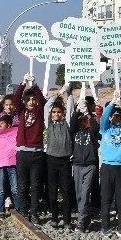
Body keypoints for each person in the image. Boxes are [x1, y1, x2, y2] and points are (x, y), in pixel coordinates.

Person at [99, 92, 121, 239]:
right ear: (110, 118)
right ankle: (105, 227)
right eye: (114, 116)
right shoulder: (105, 129)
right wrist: (112, 104)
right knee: (106, 199)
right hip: (107, 168)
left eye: (119, 116)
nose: (117, 118)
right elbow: (102, 119)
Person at [14, 73, 46, 223]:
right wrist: (23, 83)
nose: (32, 101)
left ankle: (34, 212)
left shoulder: (39, 112)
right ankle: (24, 210)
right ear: (25, 101)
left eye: (33, 99)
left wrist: (34, 85)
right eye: (28, 99)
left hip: (37, 154)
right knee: (23, 184)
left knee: (35, 185)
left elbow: (43, 100)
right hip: (22, 153)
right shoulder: (21, 112)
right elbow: (16, 99)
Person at [44, 85, 73, 229]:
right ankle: (54, 218)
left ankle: (67, 220)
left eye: (59, 112)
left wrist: (68, 93)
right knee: (52, 191)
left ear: (63, 113)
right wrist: (58, 93)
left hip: (65, 161)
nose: (56, 114)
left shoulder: (66, 124)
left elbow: (71, 107)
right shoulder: (48, 124)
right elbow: (47, 105)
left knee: (66, 191)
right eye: (54, 112)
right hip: (51, 161)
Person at [70, 96, 101, 232]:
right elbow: (71, 123)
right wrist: (77, 110)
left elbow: (95, 126)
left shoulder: (92, 132)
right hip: (77, 165)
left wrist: (88, 114)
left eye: (85, 120)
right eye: (80, 120)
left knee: (85, 192)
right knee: (79, 195)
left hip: (89, 165)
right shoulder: (75, 132)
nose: (83, 122)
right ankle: (85, 217)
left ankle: (81, 222)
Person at [0, 115, 20, 217]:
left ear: (9, 126)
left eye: (2, 124)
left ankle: (18, 209)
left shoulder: (14, 134)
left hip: (11, 164)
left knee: (15, 188)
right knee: (1, 189)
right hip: (0, 165)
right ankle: (0, 211)